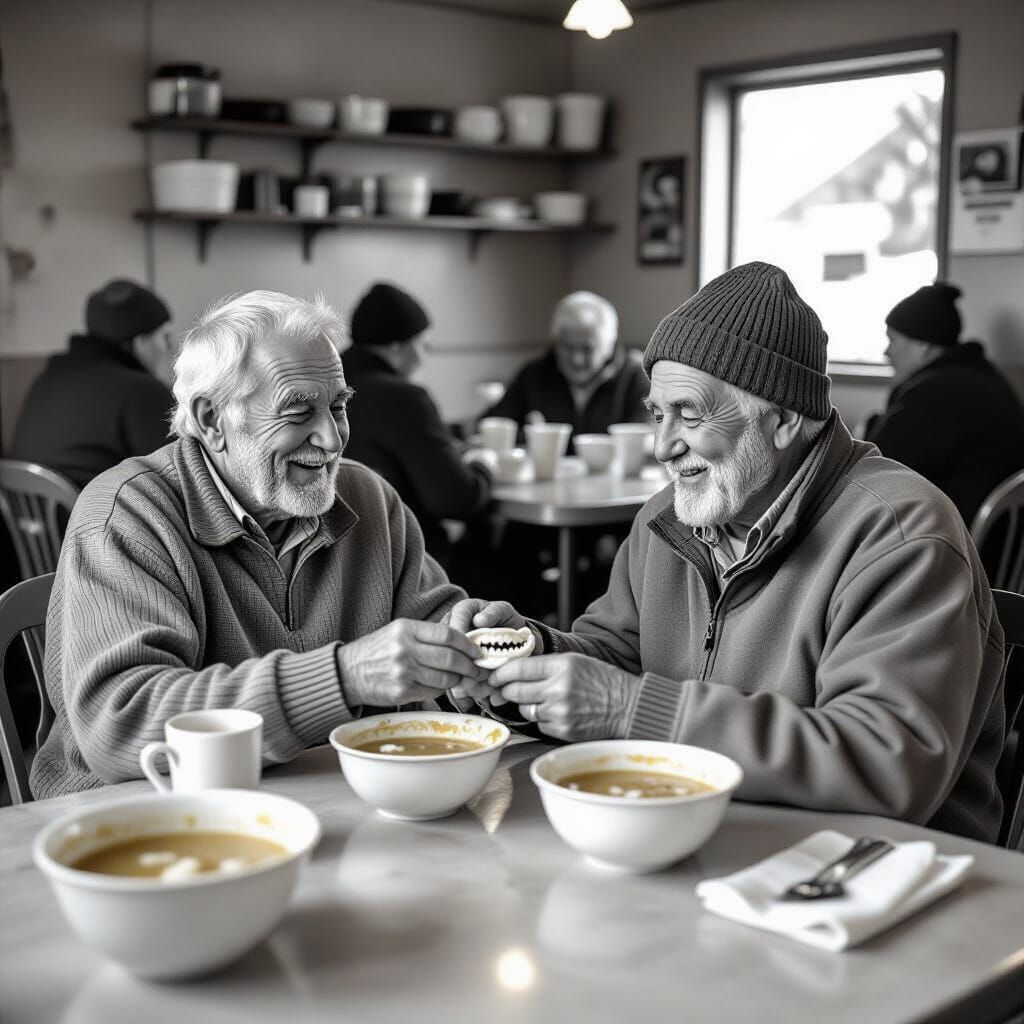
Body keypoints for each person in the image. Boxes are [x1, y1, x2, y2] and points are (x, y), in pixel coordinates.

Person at [452, 261, 1006, 842]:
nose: (664, 447)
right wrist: (531, 656)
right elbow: (620, 655)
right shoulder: (668, 518)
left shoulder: (901, 535)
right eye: (656, 415)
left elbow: (886, 764)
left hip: (881, 880)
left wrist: (628, 710)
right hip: (702, 841)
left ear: (785, 418)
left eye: (689, 414)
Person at [30, 290, 487, 800]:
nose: (333, 439)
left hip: (325, 802)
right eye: (298, 413)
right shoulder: (129, 513)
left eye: (337, 407)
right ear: (210, 420)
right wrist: (345, 676)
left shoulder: (368, 499)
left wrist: (479, 647)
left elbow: (440, 633)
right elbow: (122, 723)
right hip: (137, 817)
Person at [340, 282, 495, 575]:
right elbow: (457, 498)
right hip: (408, 563)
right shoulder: (404, 398)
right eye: (422, 344)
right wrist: (484, 466)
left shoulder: (328, 382)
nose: (425, 355)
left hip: (336, 559)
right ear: (397, 345)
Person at [863, 282, 1024, 528]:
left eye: (893, 340)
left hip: (956, 544)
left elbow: (875, 474)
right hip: (1002, 547)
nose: (887, 352)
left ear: (923, 344)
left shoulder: (930, 395)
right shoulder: (981, 376)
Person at [11, 278, 178, 488]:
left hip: (30, 517)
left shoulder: (46, 379)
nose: (170, 348)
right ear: (141, 342)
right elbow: (178, 475)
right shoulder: (141, 390)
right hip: (97, 517)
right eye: (165, 337)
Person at [482, 290, 649, 446]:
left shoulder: (636, 377)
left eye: (587, 349)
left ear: (608, 346)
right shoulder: (534, 375)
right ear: (556, 342)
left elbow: (649, 437)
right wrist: (528, 434)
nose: (577, 359)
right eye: (568, 347)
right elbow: (492, 424)